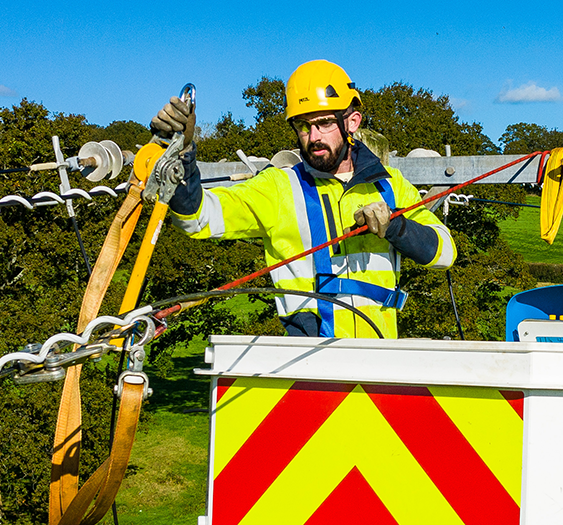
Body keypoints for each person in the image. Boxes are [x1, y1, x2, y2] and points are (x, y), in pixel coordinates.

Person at [151, 59, 456, 338]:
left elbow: (444, 255)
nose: (313, 137)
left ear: (352, 122)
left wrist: (397, 228)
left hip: (379, 358)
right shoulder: (279, 188)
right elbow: (198, 218)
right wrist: (181, 152)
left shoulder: (391, 186)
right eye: (303, 126)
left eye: (324, 123)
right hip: (309, 364)